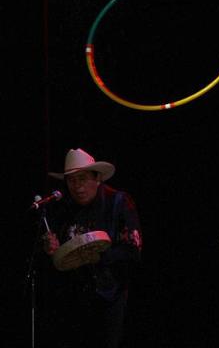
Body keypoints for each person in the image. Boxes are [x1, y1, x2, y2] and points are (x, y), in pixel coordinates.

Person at [38, 148, 142, 348]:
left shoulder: (118, 202)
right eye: (71, 180)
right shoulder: (64, 209)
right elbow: (59, 260)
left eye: (83, 179)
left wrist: (99, 257)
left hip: (112, 300)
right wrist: (53, 250)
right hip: (74, 305)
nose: (77, 187)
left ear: (97, 178)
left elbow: (133, 250)